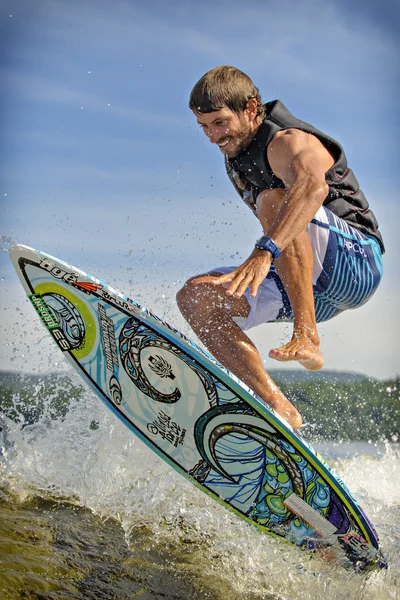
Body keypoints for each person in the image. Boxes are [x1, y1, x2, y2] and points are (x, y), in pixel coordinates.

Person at [176, 65, 384, 430]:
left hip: (356, 262)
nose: (213, 136)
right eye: (205, 127)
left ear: (252, 108)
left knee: (273, 200)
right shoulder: (236, 153)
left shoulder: (286, 140)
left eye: (220, 123)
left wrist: (265, 251)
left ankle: (307, 335)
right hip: (309, 284)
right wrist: (270, 252)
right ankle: (276, 407)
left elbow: (312, 188)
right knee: (196, 299)